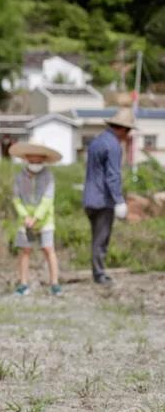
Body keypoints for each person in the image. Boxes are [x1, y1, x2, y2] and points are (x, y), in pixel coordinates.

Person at [82, 107, 136, 285]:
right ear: (122, 128)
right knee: (101, 239)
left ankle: (98, 272)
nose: (128, 135)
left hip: (89, 198)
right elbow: (112, 176)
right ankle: (99, 274)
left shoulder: (97, 141)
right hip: (103, 200)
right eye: (128, 131)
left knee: (97, 237)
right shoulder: (113, 145)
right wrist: (119, 200)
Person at [8, 142, 62, 296]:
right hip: (24, 220)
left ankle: (55, 284)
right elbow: (16, 198)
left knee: (48, 249)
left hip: (45, 220)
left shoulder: (49, 176)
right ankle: (23, 284)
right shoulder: (19, 176)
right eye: (32, 161)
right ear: (26, 158)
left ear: (44, 160)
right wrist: (25, 216)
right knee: (25, 250)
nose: (35, 164)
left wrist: (36, 217)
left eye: (38, 162)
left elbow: (47, 199)